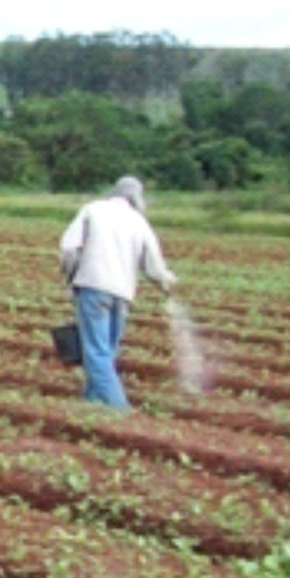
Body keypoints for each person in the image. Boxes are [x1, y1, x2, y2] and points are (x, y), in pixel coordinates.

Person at [58, 175, 177, 410]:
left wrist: (70, 277)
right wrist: (165, 284)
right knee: (106, 351)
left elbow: (69, 249)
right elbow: (154, 266)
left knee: (96, 351)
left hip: (93, 287)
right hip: (123, 294)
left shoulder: (93, 209)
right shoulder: (139, 221)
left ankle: (119, 409)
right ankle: (91, 401)